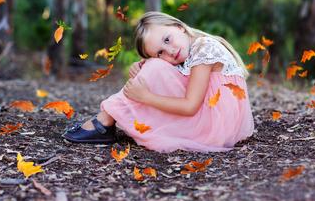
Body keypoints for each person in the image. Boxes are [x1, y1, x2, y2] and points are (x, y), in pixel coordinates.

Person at [63, 11, 254, 152]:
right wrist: (144, 69)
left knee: (154, 67)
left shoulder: (205, 48)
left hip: (215, 127)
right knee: (153, 66)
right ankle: (108, 118)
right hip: (212, 118)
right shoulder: (188, 50)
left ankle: (105, 120)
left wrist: (146, 96)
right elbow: (175, 77)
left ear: (178, 26)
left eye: (167, 39)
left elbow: (190, 106)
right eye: (160, 52)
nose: (169, 51)